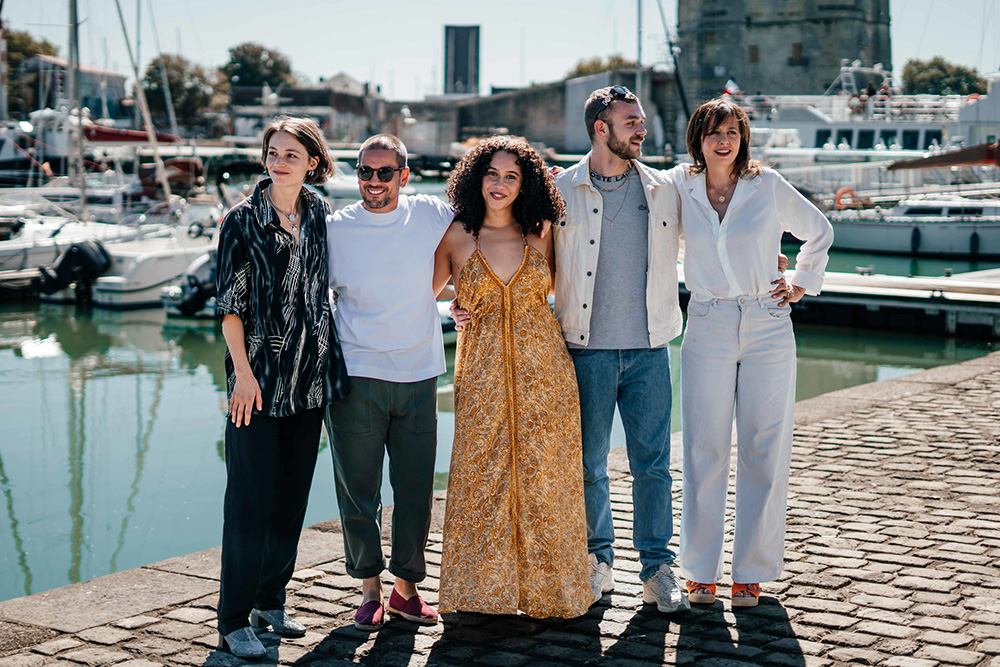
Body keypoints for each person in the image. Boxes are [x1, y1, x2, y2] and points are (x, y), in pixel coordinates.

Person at [666, 98, 833, 608]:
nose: (724, 140)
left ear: (743, 138)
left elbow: (819, 230)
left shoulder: (767, 185)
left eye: (733, 132)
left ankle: (750, 573)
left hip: (767, 323)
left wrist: (801, 283)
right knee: (704, 448)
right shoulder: (678, 185)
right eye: (714, 131)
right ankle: (699, 571)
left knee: (763, 447)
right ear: (698, 137)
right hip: (709, 322)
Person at [432, 136, 592, 618]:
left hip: (545, 372)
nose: (499, 184)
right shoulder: (457, 235)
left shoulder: (541, 232)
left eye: (511, 176)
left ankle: (552, 594)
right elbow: (418, 297)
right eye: (492, 173)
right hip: (480, 375)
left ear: (526, 185)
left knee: (547, 479)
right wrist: (455, 309)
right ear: (476, 178)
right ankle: (482, 594)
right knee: (481, 478)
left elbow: (574, 291)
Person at [214, 116, 350, 659]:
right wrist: (242, 375)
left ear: (312, 162)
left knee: (290, 497)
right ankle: (232, 621)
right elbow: (229, 304)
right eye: (273, 152)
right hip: (258, 381)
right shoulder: (240, 220)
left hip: (310, 378)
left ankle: (271, 602)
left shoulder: (319, 212)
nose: (279, 161)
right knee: (248, 502)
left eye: (291, 154)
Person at [553, 86, 688, 614]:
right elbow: (520, 252)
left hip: (650, 349)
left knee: (652, 464)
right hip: (585, 350)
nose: (641, 128)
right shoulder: (560, 189)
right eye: (631, 121)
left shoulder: (663, 189)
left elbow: (711, 234)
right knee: (589, 465)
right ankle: (597, 561)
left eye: (641, 120)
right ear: (600, 127)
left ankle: (656, 569)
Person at [326, 134, 453, 631]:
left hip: (420, 374)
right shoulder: (336, 228)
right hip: (356, 376)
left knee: (416, 491)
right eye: (364, 171)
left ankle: (406, 590)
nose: (372, 182)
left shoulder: (432, 213)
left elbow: (481, 242)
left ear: (403, 174)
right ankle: (369, 589)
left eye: (384, 172)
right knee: (358, 492)